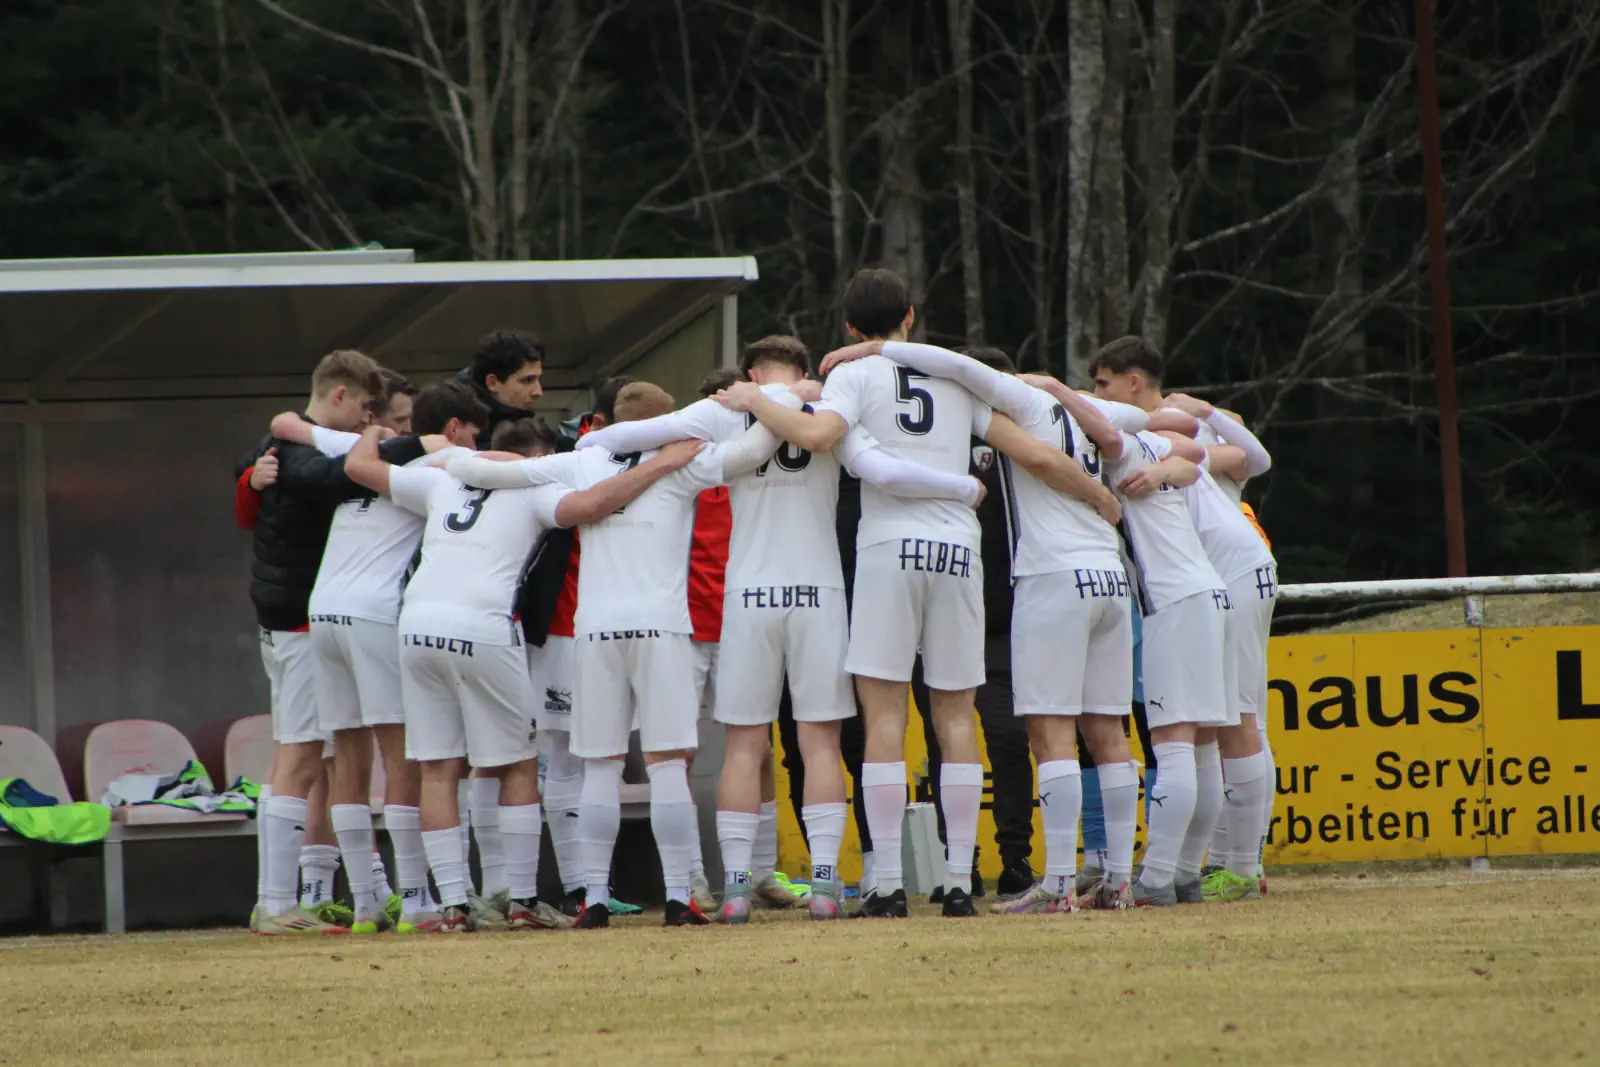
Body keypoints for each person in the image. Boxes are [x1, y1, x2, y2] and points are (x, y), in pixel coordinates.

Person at [717, 267, 1111, 918]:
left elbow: (817, 436)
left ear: (848, 327)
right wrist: (1099, 495)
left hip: (886, 551)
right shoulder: (956, 376)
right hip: (958, 550)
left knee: (886, 721)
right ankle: (959, 880)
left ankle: (888, 881)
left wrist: (753, 398)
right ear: (910, 318)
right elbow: (1035, 454)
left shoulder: (852, 373)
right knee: (957, 719)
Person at [582, 339, 982, 922]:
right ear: (804, 369)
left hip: (748, 595)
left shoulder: (724, 409)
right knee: (818, 741)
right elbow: (880, 466)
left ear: (750, 372)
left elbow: (617, 438)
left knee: (746, 745)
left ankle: (738, 890)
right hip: (819, 593)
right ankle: (824, 885)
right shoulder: (827, 408)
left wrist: (592, 442)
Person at [447, 382, 793, 928]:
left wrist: (452, 452)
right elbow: (756, 450)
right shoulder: (686, 460)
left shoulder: (581, 461)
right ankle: (680, 896)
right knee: (667, 763)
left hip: (594, 631)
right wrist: (769, 399)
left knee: (600, 768)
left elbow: (487, 473)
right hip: (663, 628)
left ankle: (596, 899)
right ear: (667, 421)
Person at [343, 414, 698, 933]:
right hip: (483, 626)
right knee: (518, 766)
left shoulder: (440, 476)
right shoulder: (536, 489)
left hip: (414, 626)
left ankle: (452, 907)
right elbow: (597, 505)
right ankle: (522, 901)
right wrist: (664, 463)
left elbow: (357, 466)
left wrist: (376, 429)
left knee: (439, 768)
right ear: (537, 459)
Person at [818, 339, 1133, 913]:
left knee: (1041, 734)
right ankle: (1120, 875)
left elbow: (1004, 423)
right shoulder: (1089, 411)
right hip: (1103, 573)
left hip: (1040, 575)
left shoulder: (1008, 399)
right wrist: (1109, 496)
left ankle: (1037, 881)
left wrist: (869, 348)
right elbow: (1139, 427)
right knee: (1100, 734)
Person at [267, 380, 489, 933]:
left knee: (347, 757)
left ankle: (368, 904)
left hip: (324, 610)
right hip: (372, 612)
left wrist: (370, 434)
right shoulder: (438, 463)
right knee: (402, 759)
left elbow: (297, 429)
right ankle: (415, 902)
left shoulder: (363, 455)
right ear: (453, 429)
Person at [235, 349, 389, 936]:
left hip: (282, 618)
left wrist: (262, 458)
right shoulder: (303, 458)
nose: (366, 425)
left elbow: (245, 469)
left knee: (290, 754)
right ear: (341, 396)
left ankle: (278, 899)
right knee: (299, 756)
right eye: (365, 411)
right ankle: (276, 904)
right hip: (298, 621)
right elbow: (346, 470)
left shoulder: (273, 449)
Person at [1088, 338, 1226, 908]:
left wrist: (1045, 388)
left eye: (1102, 384)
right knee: (1202, 749)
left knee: (1172, 745)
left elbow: (1186, 450)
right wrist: (1172, 464)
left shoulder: (1119, 439)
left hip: (1171, 600)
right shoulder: (1148, 438)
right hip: (1207, 594)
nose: (1096, 395)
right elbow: (1188, 449)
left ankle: (1156, 878)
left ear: (1131, 384)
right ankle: (1186, 873)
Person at [516, 374, 639, 918]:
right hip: (566, 626)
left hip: (623, 625)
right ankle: (579, 887)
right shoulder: (576, 459)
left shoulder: (652, 456)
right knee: (567, 758)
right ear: (603, 423)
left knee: (606, 757)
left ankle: (597, 886)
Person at [1157, 389, 1277, 901]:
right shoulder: (1197, 448)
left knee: (1242, 720)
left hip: (1235, 575)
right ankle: (1230, 862)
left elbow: (1255, 457)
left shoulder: (1196, 444)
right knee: (1232, 719)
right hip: (1228, 576)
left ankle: (1244, 868)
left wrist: (1205, 415)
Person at [459, 329, 546, 448]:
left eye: (538, 379)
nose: (538, 392)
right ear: (492, 382)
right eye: (527, 380)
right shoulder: (461, 436)